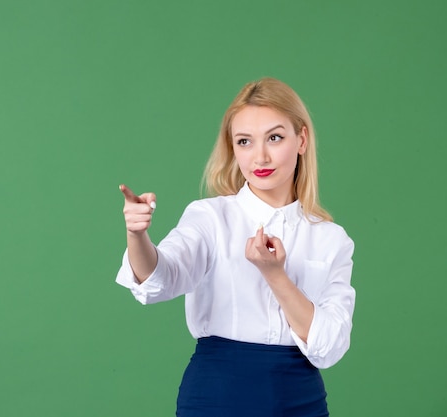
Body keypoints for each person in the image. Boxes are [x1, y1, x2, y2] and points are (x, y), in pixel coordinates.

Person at [115, 77, 355, 417]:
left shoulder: (332, 240)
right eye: (245, 141)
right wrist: (137, 235)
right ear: (233, 149)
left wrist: (276, 276)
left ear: (301, 139)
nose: (260, 156)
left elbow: (329, 347)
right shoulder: (210, 217)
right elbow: (160, 279)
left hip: (300, 401)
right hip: (216, 396)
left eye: (275, 137)